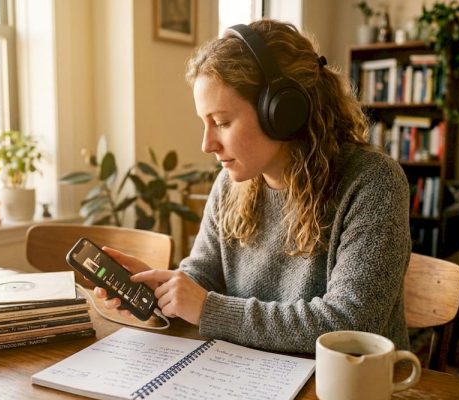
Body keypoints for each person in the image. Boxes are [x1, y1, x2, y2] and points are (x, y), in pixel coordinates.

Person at [95, 19, 411, 353]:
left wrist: (208, 309)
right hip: (249, 379)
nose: (207, 144)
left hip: (348, 391)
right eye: (205, 123)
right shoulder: (229, 186)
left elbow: (350, 324)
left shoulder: (373, 182)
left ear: (282, 112)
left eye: (221, 122)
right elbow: (204, 276)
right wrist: (162, 290)